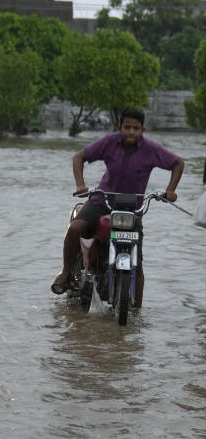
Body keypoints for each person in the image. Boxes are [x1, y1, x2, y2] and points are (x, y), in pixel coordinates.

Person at [50, 107, 184, 307]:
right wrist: (80, 184)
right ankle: (66, 272)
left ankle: (137, 309)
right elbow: (79, 157)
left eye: (136, 128)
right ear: (119, 127)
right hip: (101, 201)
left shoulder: (151, 149)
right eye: (127, 127)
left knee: (137, 259)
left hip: (131, 210)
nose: (131, 132)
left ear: (142, 130)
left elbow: (178, 163)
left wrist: (170, 190)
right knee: (75, 228)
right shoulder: (109, 142)